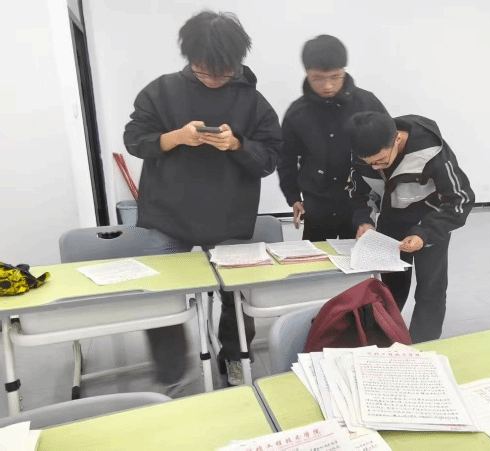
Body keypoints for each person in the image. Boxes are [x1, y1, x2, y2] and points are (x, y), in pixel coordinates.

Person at [123, 11, 282, 389]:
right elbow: (135, 140)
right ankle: (171, 371)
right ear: (189, 56)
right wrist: (175, 137)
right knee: (161, 295)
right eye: (203, 68)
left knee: (236, 294)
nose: (212, 77)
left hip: (229, 215)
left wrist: (237, 144)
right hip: (168, 214)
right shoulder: (161, 91)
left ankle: (235, 357)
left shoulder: (253, 101)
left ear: (236, 60)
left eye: (222, 71)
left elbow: (269, 159)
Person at [346, 112, 475, 343]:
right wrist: (364, 221)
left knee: (430, 291)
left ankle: (423, 345)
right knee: (389, 290)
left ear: (397, 139)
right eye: (369, 163)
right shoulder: (363, 154)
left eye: (381, 161)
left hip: (431, 225)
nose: (375, 167)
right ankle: (385, 341)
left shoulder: (431, 151)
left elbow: (460, 200)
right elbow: (359, 194)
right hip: (390, 225)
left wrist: (424, 234)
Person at [278, 35, 388, 240]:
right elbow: (286, 159)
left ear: (344, 70)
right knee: (316, 258)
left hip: (358, 207)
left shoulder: (367, 104)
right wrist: (292, 197)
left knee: (357, 258)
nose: (327, 85)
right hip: (317, 207)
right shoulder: (297, 113)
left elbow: (388, 149)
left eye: (335, 77)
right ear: (307, 73)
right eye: (318, 78)